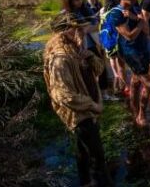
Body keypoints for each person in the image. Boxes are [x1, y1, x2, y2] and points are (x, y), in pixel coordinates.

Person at [43, 13, 113, 186]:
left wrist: (89, 55)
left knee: (83, 152)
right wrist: (93, 106)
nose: (82, 32)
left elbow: (97, 71)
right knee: (98, 158)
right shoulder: (60, 58)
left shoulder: (76, 49)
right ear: (65, 31)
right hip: (80, 115)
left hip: (88, 110)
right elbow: (63, 95)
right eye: (78, 28)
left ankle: (85, 182)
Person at [105, 0, 150, 126]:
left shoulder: (135, 8)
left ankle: (134, 109)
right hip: (130, 51)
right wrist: (139, 22)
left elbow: (147, 30)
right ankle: (141, 114)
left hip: (142, 48)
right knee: (149, 84)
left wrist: (136, 18)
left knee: (135, 81)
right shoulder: (116, 13)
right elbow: (129, 36)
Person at [61, 0, 115, 102]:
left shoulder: (85, 10)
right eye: (76, 0)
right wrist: (78, 30)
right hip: (75, 49)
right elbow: (61, 33)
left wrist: (85, 29)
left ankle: (104, 94)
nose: (79, 2)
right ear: (69, 0)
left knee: (101, 67)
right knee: (83, 73)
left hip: (91, 44)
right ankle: (88, 97)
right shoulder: (64, 14)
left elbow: (97, 25)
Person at [104, 0, 129, 97]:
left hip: (128, 29)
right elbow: (107, 16)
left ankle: (127, 85)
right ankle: (125, 86)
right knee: (120, 61)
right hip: (116, 32)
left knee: (127, 59)